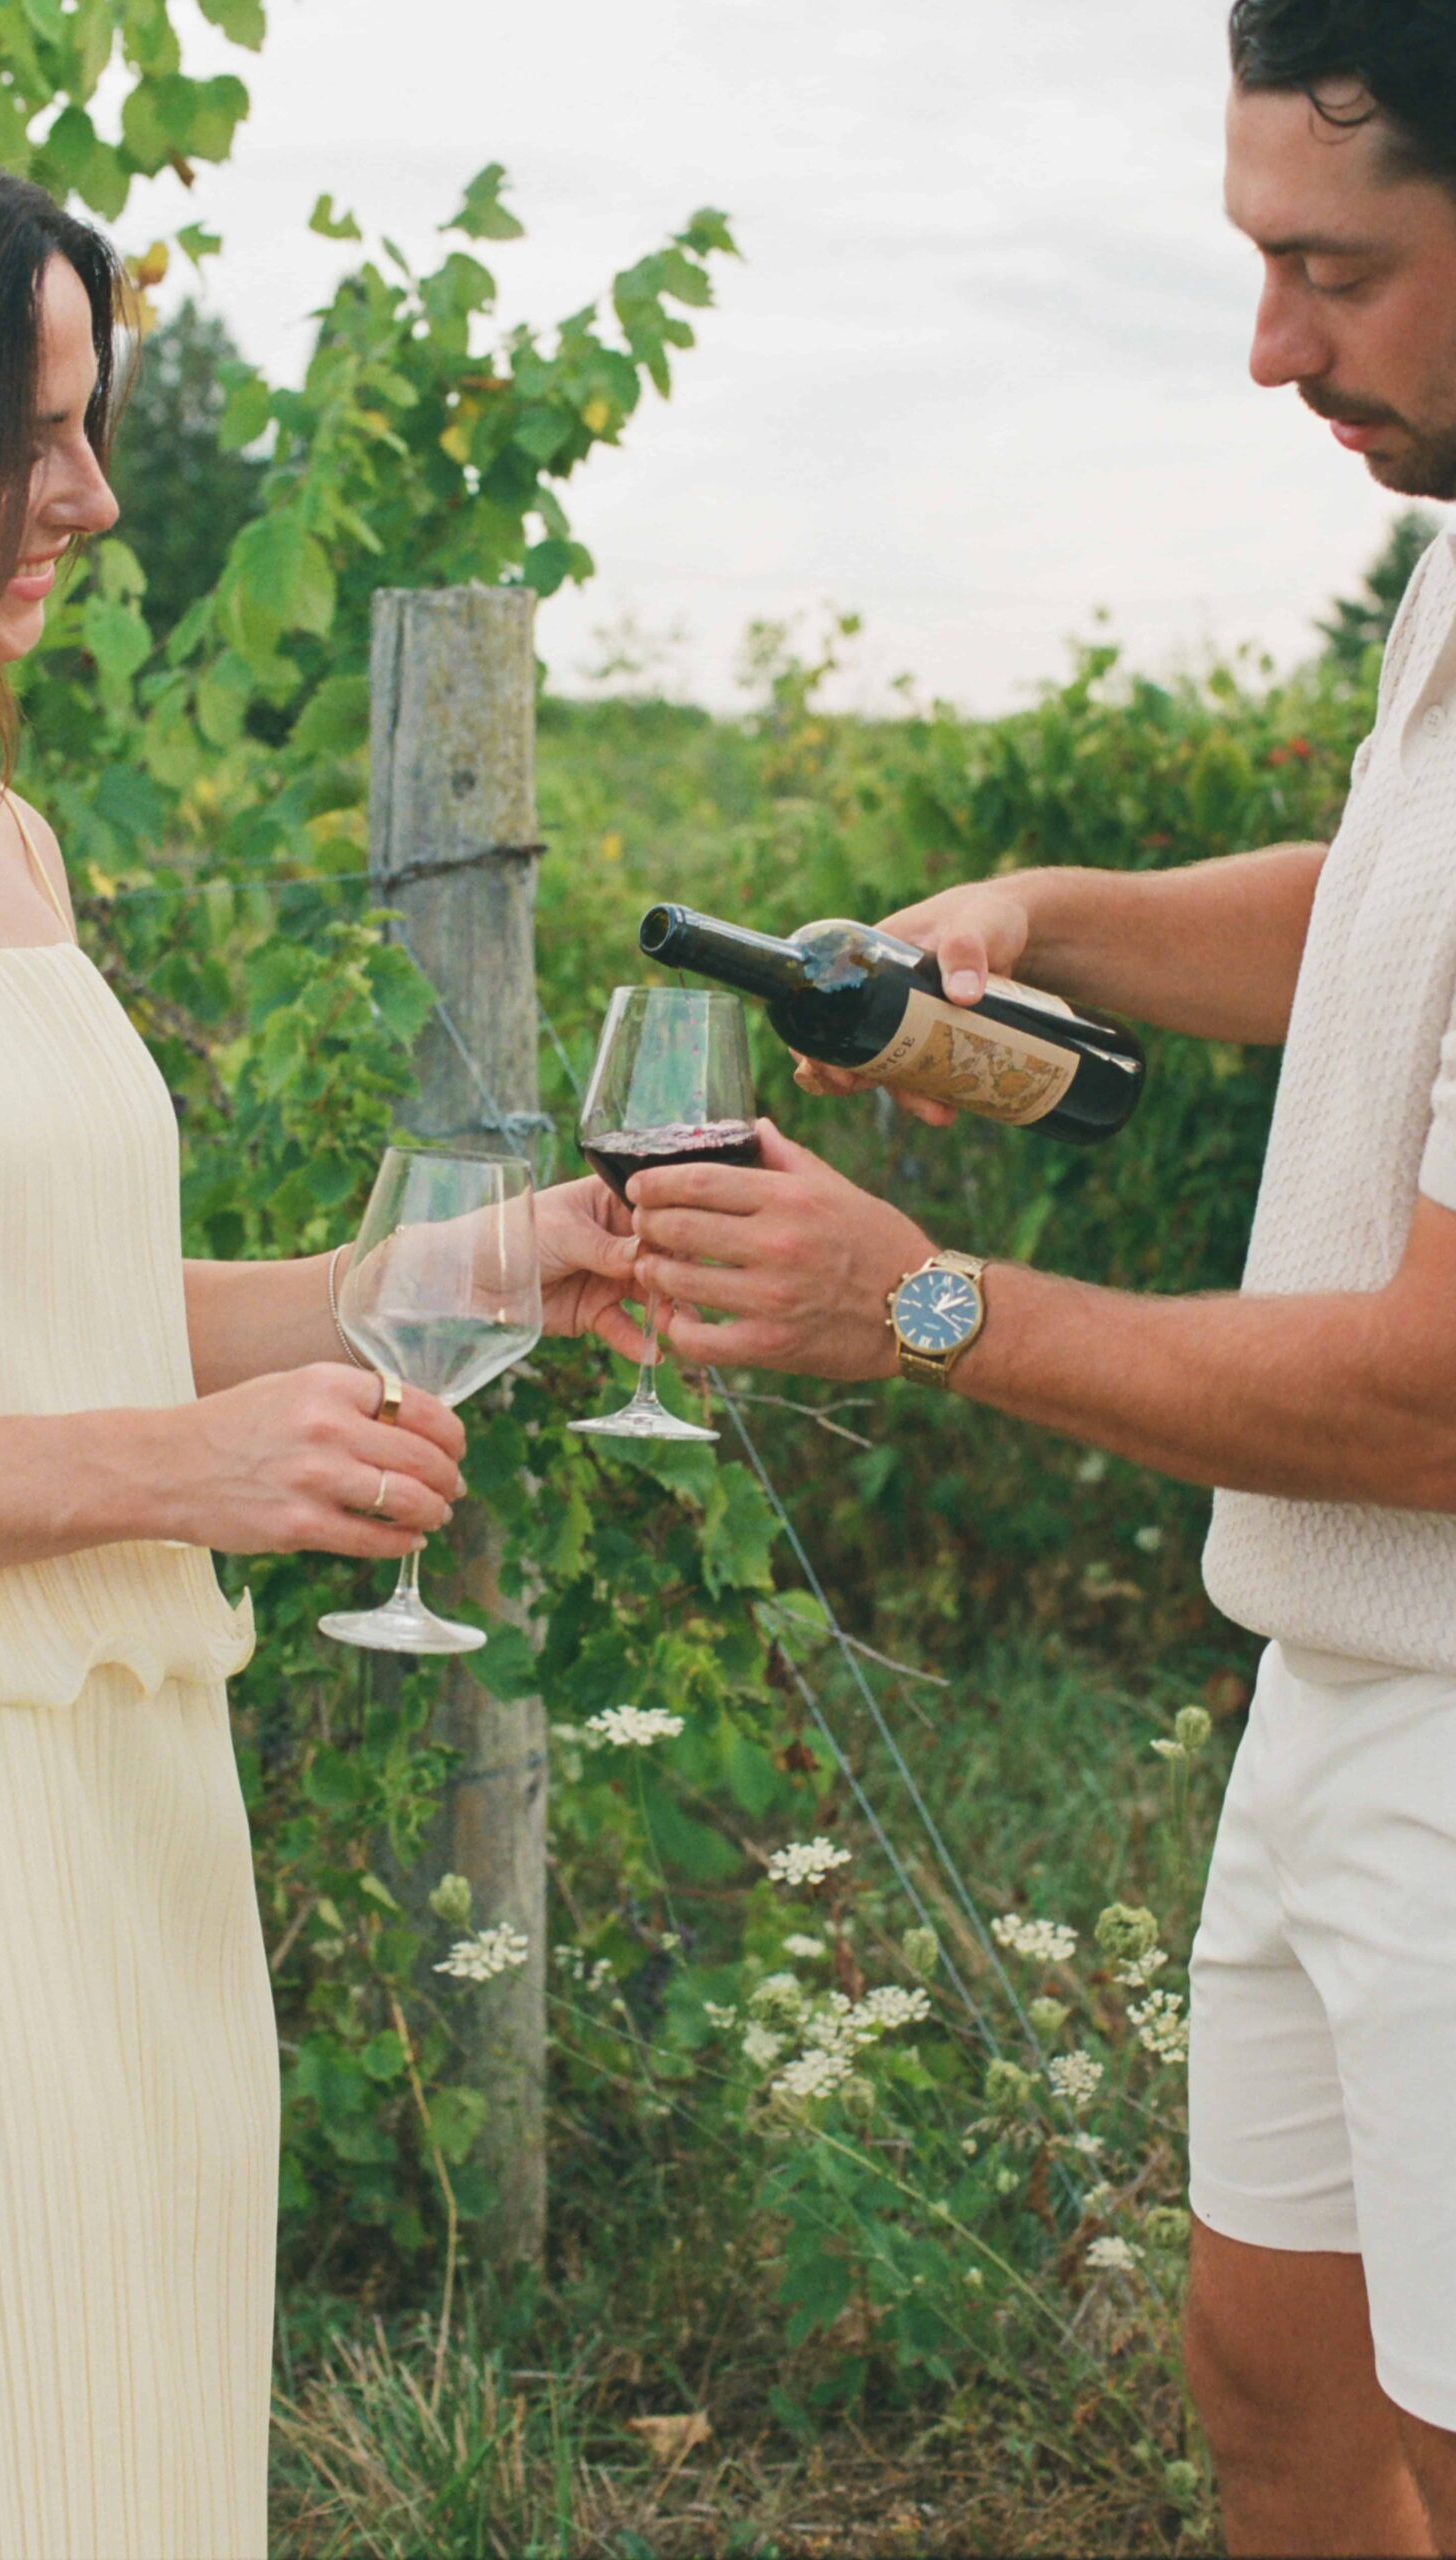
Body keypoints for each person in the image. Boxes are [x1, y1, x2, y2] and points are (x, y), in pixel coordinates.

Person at [0, 114, 638, 2560]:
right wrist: (175, 1477)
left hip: (113, 1810)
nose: (95, 498)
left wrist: (451, 1274)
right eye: (28, 431)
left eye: (90, 424)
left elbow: (11, 1319)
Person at [624, 6, 1456, 2552]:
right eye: (1254, 261)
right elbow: (1385, 919)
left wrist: (925, 1305)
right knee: (1277, 2388)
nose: (1271, 346)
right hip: (1339, 1678)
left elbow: (1441, 1400)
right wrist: (1045, 917)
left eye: (1339, 269)